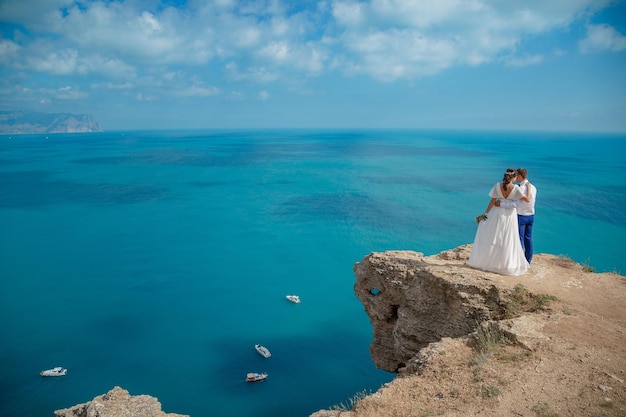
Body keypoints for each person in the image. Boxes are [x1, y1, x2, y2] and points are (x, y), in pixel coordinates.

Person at [468, 168, 529, 276]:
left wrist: (485, 214)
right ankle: (504, 264)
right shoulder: (516, 188)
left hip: (496, 213)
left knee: (494, 236)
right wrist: (528, 188)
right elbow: (526, 199)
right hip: (509, 215)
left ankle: (491, 261)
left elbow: (492, 201)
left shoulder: (497, 186)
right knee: (507, 237)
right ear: (514, 178)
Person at [496, 168, 537, 264]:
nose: (515, 177)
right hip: (531, 215)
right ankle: (528, 260)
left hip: (521, 216)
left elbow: (515, 204)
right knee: (528, 238)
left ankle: (519, 261)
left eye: (516, 175)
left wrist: (501, 204)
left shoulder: (520, 189)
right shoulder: (533, 187)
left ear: (520, 176)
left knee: (519, 239)